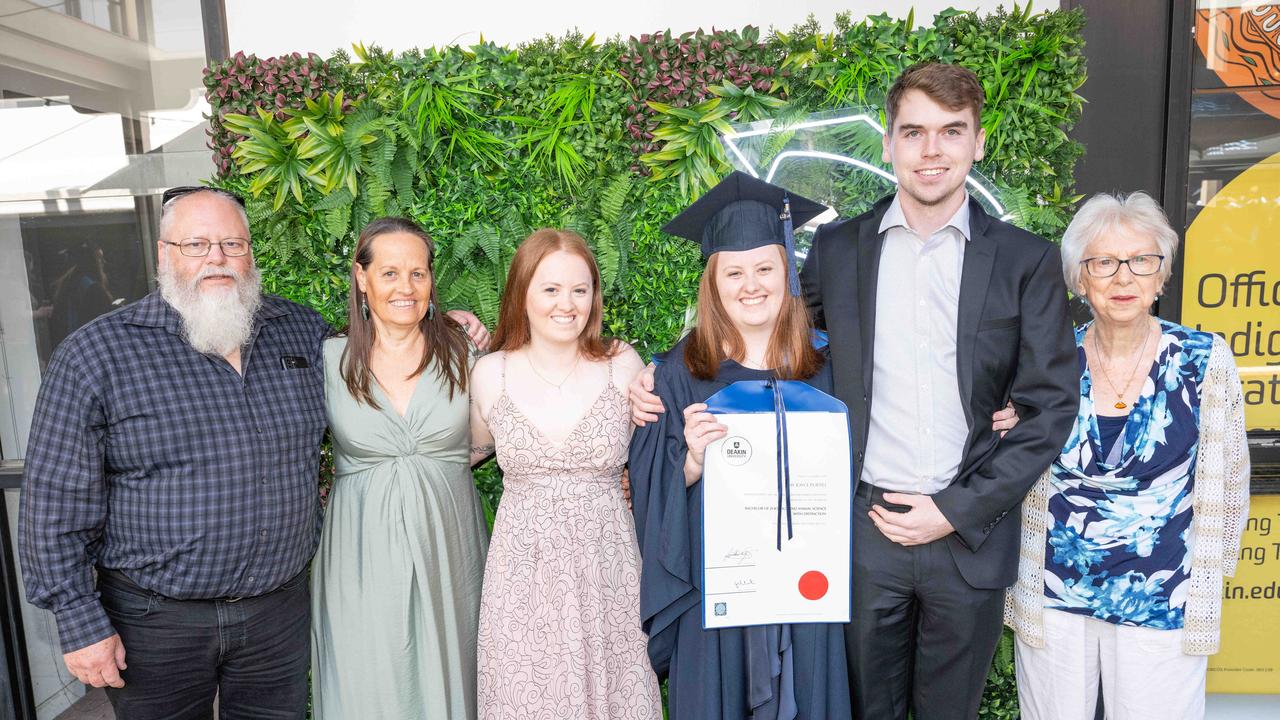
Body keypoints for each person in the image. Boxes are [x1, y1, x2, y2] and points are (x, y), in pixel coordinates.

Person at [629, 62, 1078, 720]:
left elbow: (1049, 408)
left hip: (969, 540)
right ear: (889, 141)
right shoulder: (841, 251)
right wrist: (661, 371)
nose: (932, 151)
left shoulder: (1025, 261)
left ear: (978, 142)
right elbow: (763, 324)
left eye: (951, 132)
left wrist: (955, 507)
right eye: (914, 132)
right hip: (861, 537)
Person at [19, 186, 329, 719]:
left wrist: (447, 327)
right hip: (153, 622)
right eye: (197, 244)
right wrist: (79, 622)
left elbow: (381, 370)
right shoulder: (98, 353)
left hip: (278, 617)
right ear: (164, 253)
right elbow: (53, 503)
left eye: (233, 243)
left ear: (251, 252)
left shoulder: (300, 331)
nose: (217, 258)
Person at [1005, 192, 1251, 720]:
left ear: (1161, 275)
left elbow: (1231, 484)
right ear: (1079, 279)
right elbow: (1015, 463)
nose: (1124, 278)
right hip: (1056, 596)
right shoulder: (1047, 362)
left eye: (1142, 261)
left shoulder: (1204, 361)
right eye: (1104, 263)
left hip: (1162, 597)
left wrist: (1210, 577)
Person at [628, 171, 853, 719]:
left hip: (809, 592)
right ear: (713, 283)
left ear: (788, 274)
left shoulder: (831, 365)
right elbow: (645, 487)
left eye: (764, 268)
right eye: (734, 272)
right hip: (719, 596)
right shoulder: (677, 374)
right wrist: (692, 461)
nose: (751, 285)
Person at [469, 228, 662, 719]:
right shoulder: (490, 372)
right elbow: (463, 454)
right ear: (523, 293)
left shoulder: (622, 364)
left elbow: (654, 462)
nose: (567, 304)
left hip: (608, 572)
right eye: (551, 289)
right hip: (522, 579)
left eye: (580, 289)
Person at [310, 217, 490, 719]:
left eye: (418, 273)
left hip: (448, 542)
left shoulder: (466, 351)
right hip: (359, 550)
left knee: (455, 675)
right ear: (361, 278)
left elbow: (495, 436)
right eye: (389, 273)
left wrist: (435, 467)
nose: (405, 287)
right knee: (367, 680)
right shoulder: (327, 359)